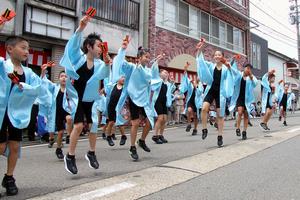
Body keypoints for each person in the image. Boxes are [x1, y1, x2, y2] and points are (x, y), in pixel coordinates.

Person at [60, 16, 110, 174]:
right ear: (89, 46)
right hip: (77, 98)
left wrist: (108, 63)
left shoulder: (100, 63)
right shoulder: (78, 58)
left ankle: (91, 153)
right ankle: (70, 156)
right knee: (79, 125)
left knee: (94, 125)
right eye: (98, 46)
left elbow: (105, 74)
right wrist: (80, 28)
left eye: (102, 47)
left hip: (91, 98)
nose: (100, 49)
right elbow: (72, 46)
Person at [0, 36, 45, 196]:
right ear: (10, 49)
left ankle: (9, 177)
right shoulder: (2, 65)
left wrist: (24, 86)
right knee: (0, 146)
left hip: (17, 114)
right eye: (23, 47)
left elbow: (37, 89)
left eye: (28, 48)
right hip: (1, 112)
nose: (27, 51)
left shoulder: (29, 72)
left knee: (14, 146)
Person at [113, 37, 163, 160]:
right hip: (133, 98)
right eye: (146, 56)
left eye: (148, 57)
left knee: (150, 123)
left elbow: (155, 79)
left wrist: (156, 61)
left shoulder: (148, 71)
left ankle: (141, 141)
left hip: (144, 100)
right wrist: (123, 49)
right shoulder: (132, 67)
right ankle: (132, 147)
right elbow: (120, 63)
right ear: (139, 58)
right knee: (135, 123)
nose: (148, 58)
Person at [196, 40, 234, 147]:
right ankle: (204, 129)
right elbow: (200, 61)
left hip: (220, 93)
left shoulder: (226, 69)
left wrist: (230, 68)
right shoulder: (210, 66)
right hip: (211, 90)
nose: (217, 56)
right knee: (204, 108)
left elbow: (232, 78)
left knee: (220, 116)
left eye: (219, 54)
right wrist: (200, 49)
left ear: (222, 57)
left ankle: (220, 136)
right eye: (215, 55)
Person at [41, 70, 73, 159]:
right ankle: (58, 149)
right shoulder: (55, 87)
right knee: (60, 132)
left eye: (66, 76)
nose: (64, 78)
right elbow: (45, 83)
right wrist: (43, 72)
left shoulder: (70, 90)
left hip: (66, 111)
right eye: (62, 76)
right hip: (56, 112)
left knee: (69, 119)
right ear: (59, 78)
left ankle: (69, 136)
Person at [229, 63, 257, 140]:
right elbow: (234, 72)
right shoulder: (239, 74)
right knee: (240, 112)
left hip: (247, 99)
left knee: (246, 115)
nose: (248, 70)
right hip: (239, 97)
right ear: (244, 68)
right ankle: (238, 128)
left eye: (250, 69)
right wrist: (231, 63)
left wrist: (251, 76)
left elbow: (255, 84)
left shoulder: (251, 77)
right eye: (247, 68)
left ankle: (244, 131)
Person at [151, 67, 175, 144]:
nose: (166, 74)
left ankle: (161, 135)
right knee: (160, 118)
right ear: (159, 74)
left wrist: (171, 83)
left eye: (167, 73)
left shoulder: (167, 83)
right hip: (157, 101)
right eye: (164, 72)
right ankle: (155, 136)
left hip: (164, 102)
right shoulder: (157, 81)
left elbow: (171, 90)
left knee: (164, 119)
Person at [180, 62, 203, 136]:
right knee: (189, 110)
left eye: (200, 76)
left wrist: (196, 86)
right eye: (198, 76)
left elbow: (199, 93)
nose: (199, 77)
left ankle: (195, 129)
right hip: (190, 99)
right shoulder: (191, 82)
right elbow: (185, 78)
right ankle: (189, 124)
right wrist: (185, 68)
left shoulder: (200, 85)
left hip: (197, 102)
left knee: (196, 116)